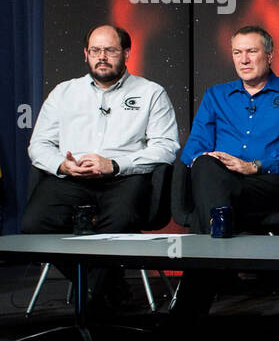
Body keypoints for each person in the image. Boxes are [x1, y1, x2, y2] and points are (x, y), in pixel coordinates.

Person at [24, 24, 179, 311]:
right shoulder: (64, 92)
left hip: (125, 178)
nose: (102, 57)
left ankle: (93, 295)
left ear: (126, 53)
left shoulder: (151, 92)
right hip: (72, 178)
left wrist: (116, 164)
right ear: (86, 54)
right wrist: (63, 165)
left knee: (119, 222)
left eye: (110, 50)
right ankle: (106, 286)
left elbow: (167, 146)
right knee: (34, 224)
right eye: (95, 50)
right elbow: (39, 145)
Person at [180, 25, 279, 232]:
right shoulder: (215, 95)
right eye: (237, 53)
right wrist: (208, 160)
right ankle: (220, 233)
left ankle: (211, 251)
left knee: (208, 198)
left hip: (265, 182)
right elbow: (194, 147)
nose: (244, 60)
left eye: (252, 52)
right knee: (206, 166)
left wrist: (255, 166)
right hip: (220, 178)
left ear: (269, 55)